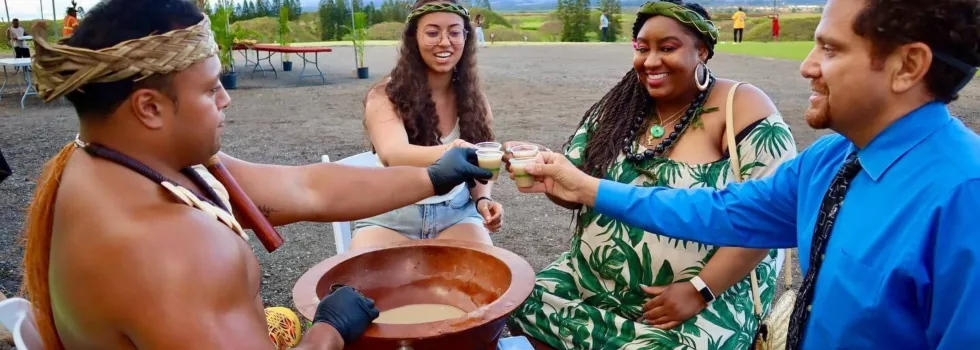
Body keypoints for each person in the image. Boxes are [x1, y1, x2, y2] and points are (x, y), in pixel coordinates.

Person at [20, 0, 492, 349]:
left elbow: (306, 187)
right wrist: (328, 331)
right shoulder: (174, 252)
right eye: (210, 89)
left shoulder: (115, 163)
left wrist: (433, 176)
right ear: (149, 106)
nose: (226, 99)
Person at [516, 0, 980, 348]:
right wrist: (588, 188)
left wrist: (699, 289)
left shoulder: (964, 197)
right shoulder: (834, 159)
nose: (807, 66)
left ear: (909, 66)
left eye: (830, 49)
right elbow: (721, 210)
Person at [505, 1, 797, 348]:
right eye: (642, 48)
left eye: (667, 48)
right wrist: (549, 175)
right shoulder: (618, 109)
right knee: (517, 301)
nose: (651, 60)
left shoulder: (742, 107)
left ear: (702, 50)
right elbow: (575, 185)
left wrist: (699, 290)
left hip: (700, 297)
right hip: (593, 282)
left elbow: (770, 214)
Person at [355, 0, 502, 250]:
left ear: (466, 38)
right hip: (392, 213)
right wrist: (452, 150)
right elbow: (393, 154)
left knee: (485, 282)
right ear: (413, 38)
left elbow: (479, 164)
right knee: (367, 286)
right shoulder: (385, 95)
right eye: (433, 32)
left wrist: (483, 200)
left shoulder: (476, 101)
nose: (445, 42)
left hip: (457, 215)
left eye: (454, 32)